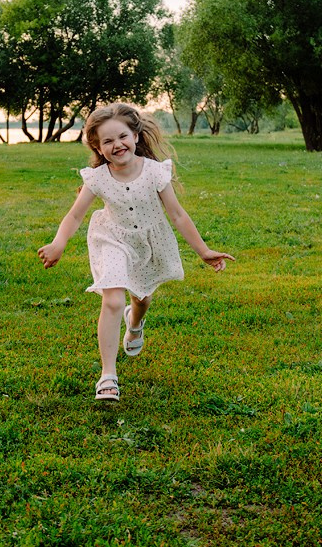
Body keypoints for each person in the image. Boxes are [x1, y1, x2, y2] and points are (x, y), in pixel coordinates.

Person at [37, 102, 235, 402]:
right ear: (98, 147)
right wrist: (58, 243)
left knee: (142, 298)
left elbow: (178, 215)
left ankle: (136, 322)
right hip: (112, 239)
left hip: (147, 243)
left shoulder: (156, 173)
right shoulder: (98, 178)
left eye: (122, 136)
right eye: (107, 141)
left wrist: (203, 251)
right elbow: (75, 215)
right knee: (113, 299)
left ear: (136, 136)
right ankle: (108, 376)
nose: (117, 144)